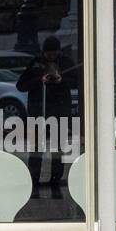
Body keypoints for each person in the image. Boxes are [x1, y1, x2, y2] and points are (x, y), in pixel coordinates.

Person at [17, 35, 72, 196]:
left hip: (59, 112)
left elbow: (79, 80)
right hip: (39, 113)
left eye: (54, 53)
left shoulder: (66, 63)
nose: (51, 56)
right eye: (48, 54)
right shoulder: (36, 63)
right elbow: (21, 85)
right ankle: (33, 181)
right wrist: (40, 80)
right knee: (36, 149)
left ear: (58, 52)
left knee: (57, 149)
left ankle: (55, 180)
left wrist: (62, 80)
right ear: (44, 52)